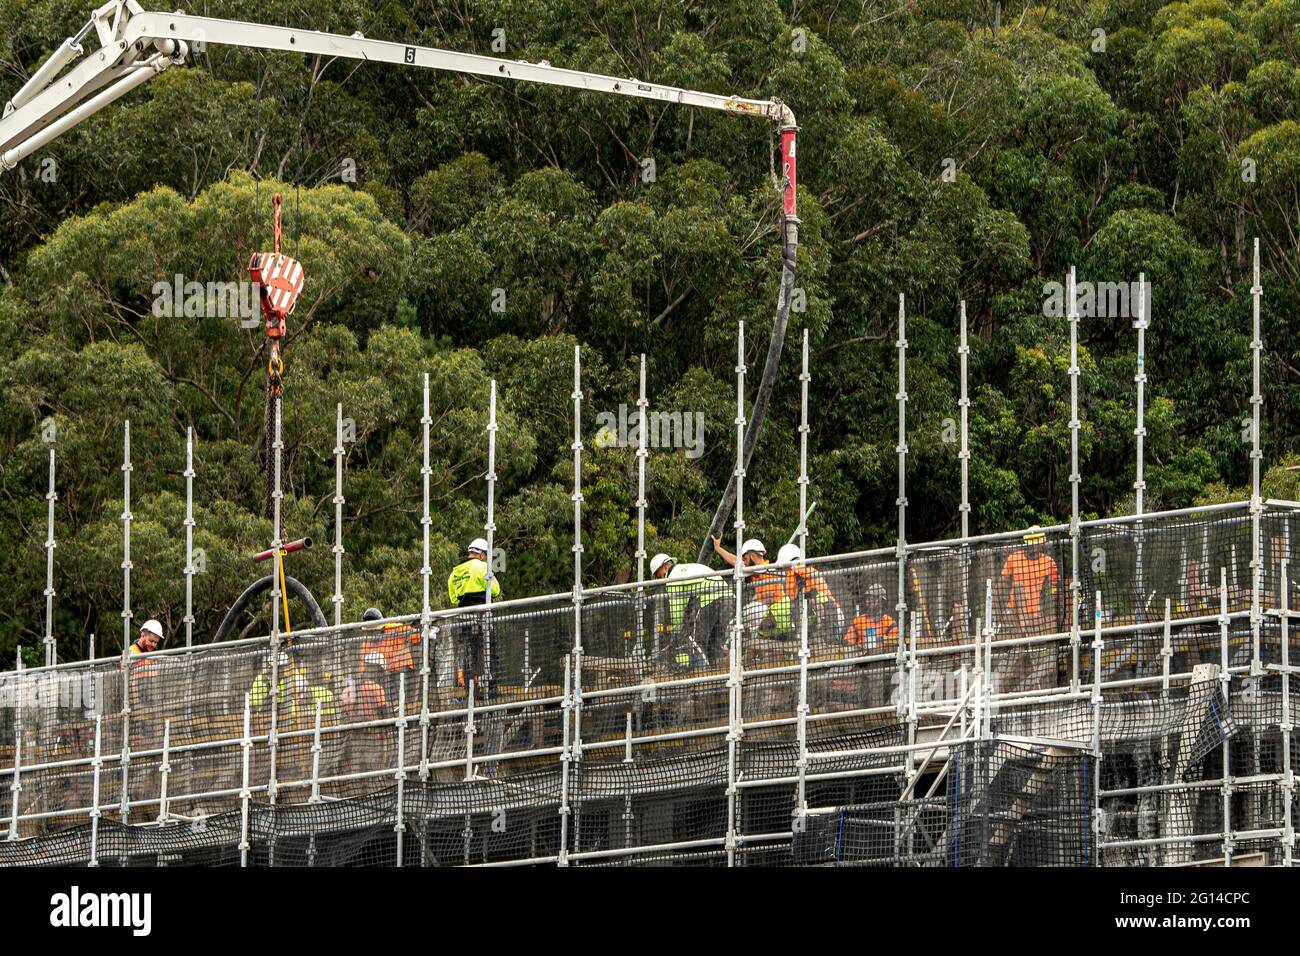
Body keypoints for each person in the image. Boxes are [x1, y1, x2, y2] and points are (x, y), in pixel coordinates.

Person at [650, 553, 731, 666]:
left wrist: (676, 633)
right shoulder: (687, 568)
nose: (659, 579)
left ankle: (700, 676)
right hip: (728, 599)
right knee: (714, 642)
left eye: (658, 575)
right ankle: (715, 674)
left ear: (665, 567)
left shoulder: (673, 576)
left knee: (696, 642)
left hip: (710, 600)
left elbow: (676, 608)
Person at [447, 538, 502, 694]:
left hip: (462, 617)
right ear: (482, 555)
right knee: (489, 649)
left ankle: (471, 688)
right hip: (482, 614)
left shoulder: (454, 573)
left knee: (469, 653)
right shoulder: (482, 567)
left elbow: (453, 598)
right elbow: (496, 590)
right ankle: (490, 687)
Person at [711, 536, 792, 637]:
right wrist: (718, 548)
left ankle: (749, 638)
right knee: (732, 626)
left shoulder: (770, 571)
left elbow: (768, 598)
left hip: (775, 615)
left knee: (754, 609)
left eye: (745, 558)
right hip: (767, 616)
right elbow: (734, 560)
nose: (744, 562)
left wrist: (752, 604)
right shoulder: (754, 571)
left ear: (752, 557)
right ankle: (730, 647)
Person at [1000, 527, 1062, 633]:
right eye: (1031, 544)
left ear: (1041, 544)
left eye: (1036, 544)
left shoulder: (1048, 562)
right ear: (1026, 544)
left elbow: (1055, 584)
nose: (1034, 548)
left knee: (1033, 641)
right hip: (1013, 610)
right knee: (1014, 640)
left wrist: (1055, 604)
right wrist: (997, 609)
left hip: (1034, 612)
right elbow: (1001, 583)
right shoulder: (1014, 558)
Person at [357, 606, 420, 703]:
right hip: (383, 676)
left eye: (374, 630)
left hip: (402, 671)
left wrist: (423, 634)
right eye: (370, 631)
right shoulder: (366, 644)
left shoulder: (395, 629)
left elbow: (416, 636)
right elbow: (363, 669)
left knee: (398, 696)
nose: (372, 633)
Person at [843, 584, 898, 651]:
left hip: (882, 659)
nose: (870, 601)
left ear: (882, 602)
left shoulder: (889, 623)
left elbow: (893, 647)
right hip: (862, 659)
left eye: (874, 598)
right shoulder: (858, 621)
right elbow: (849, 643)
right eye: (868, 598)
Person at [124, 619, 164, 707]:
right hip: (136, 703)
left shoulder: (151, 655)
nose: (153, 645)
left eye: (156, 642)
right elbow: (130, 682)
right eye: (151, 641)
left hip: (151, 701)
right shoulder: (131, 652)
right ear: (143, 635)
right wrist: (137, 705)